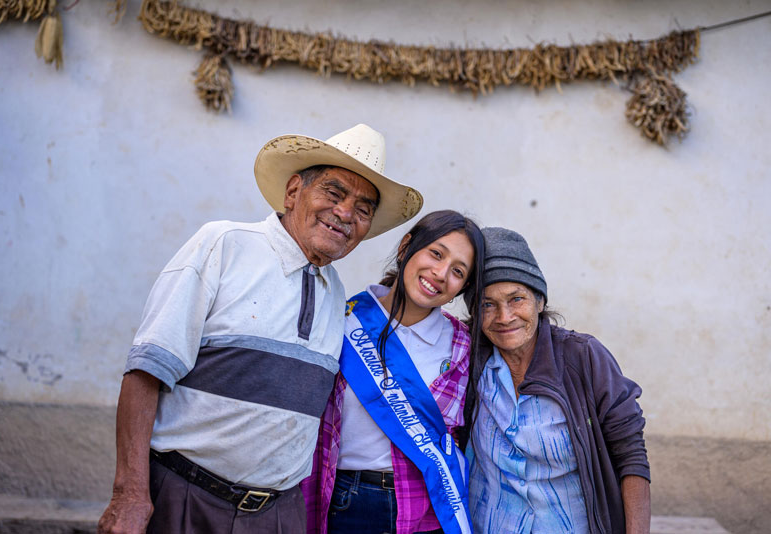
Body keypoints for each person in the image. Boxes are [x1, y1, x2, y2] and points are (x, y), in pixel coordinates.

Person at [97, 124, 424, 534]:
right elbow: (147, 370)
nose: (345, 214)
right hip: (186, 498)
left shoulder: (335, 292)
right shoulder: (225, 244)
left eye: (363, 209)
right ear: (292, 193)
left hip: (278, 515)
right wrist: (129, 495)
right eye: (334, 193)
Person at [302, 209, 486, 534]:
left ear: (463, 286)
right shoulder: (342, 322)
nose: (441, 273)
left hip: (428, 506)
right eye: (436, 254)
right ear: (406, 247)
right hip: (349, 501)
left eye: (457, 271)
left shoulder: (463, 346)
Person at [464, 227, 651, 534]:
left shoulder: (584, 357)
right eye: (487, 304)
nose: (504, 316)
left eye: (517, 299)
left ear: (540, 301)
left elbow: (630, 453)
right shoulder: (470, 360)